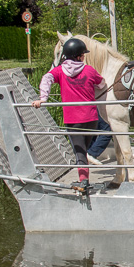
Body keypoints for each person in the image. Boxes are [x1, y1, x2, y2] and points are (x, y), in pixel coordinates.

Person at [31, 37, 104, 192]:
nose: (84, 57)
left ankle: (84, 182)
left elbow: (46, 79)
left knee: (79, 152)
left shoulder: (60, 71)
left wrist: (43, 98)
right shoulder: (89, 70)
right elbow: (102, 83)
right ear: (78, 56)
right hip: (91, 118)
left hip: (73, 119)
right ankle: (84, 178)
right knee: (83, 150)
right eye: (83, 54)